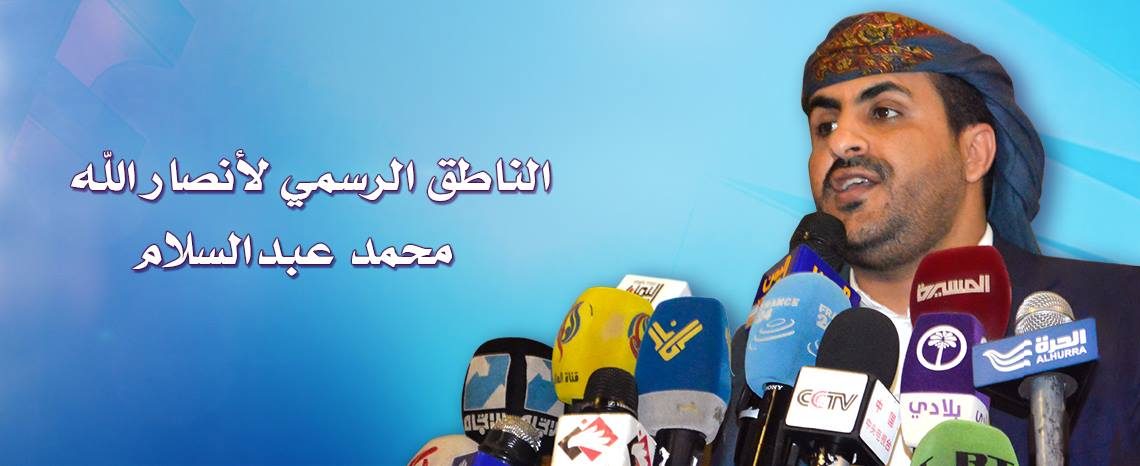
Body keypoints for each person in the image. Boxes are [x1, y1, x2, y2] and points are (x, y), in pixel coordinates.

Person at [799, 11, 1140, 465]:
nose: (841, 142)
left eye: (883, 112)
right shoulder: (777, 351)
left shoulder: (1125, 314)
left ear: (974, 152)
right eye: (825, 125)